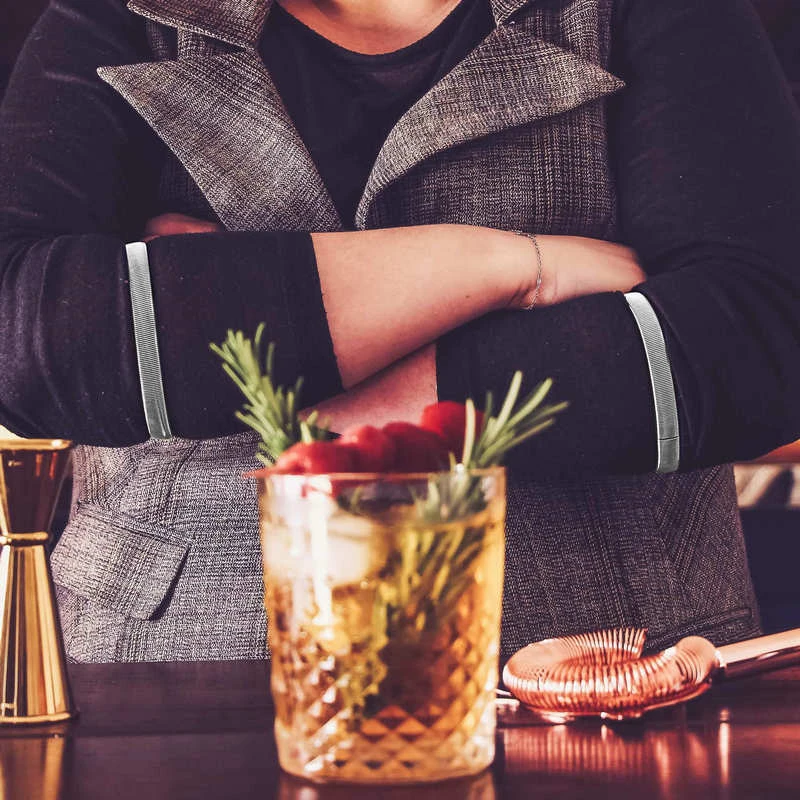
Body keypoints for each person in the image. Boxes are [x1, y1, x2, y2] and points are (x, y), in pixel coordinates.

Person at [0, 0, 798, 663]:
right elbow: (26, 341)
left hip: (603, 663)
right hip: (174, 669)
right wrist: (508, 265)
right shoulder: (116, 15)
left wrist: (230, 306)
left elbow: (762, 338)